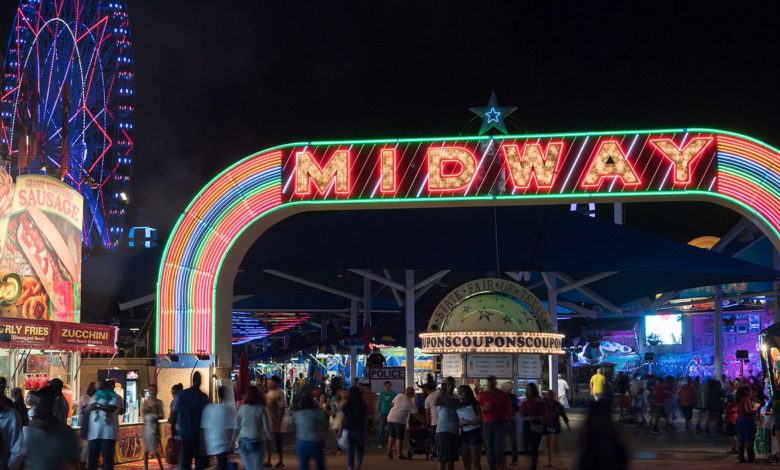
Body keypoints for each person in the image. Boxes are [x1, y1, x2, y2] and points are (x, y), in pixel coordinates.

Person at [24, 385, 80, 470]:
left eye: (42, 406)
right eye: (37, 406)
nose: (38, 409)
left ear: (51, 407)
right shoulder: (31, 430)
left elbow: (72, 464)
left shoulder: (64, 433)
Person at [574, 400, 629, 470]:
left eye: (603, 420)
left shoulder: (589, 443)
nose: (601, 424)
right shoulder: (614, 443)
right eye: (598, 420)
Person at [173, 371, 210, 470]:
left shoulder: (182, 394)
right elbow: (207, 416)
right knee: (199, 462)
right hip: (197, 434)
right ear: (200, 381)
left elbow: (174, 413)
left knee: (186, 461)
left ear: (192, 380)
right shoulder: (203, 397)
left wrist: (173, 432)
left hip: (185, 433)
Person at [478, 376, 513, 470]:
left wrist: (509, 419)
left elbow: (508, 408)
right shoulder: (483, 394)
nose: (491, 383)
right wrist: (483, 408)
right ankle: (492, 467)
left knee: (498, 447)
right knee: (489, 448)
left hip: (499, 423)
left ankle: (500, 464)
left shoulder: (501, 394)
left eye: (492, 381)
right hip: (487, 423)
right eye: (489, 382)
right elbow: (478, 407)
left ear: (495, 382)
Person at [234, 385, 271, 470]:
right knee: (257, 467)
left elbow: (237, 427)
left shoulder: (241, 409)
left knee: (248, 467)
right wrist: (270, 439)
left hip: (242, 443)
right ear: (258, 396)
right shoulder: (262, 409)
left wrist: (233, 440)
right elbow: (266, 428)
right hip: (255, 441)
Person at [87, 380, 121, 470]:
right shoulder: (95, 396)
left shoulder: (114, 397)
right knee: (92, 462)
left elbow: (111, 408)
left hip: (107, 435)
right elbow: (87, 410)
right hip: (94, 435)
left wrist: (97, 406)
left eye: (98, 385)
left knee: (107, 462)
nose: (96, 387)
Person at [203, 386, 236, 470]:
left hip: (212, 444)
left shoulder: (208, 409)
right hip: (223, 445)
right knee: (222, 465)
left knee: (220, 465)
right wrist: (232, 443)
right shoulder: (228, 409)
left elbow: (205, 428)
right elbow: (231, 428)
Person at [294, 391, 328, 470]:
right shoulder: (316, 412)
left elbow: (295, 427)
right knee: (320, 466)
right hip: (315, 441)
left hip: (302, 442)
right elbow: (325, 423)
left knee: (303, 466)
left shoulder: (297, 414)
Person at [339, 386, 367, 470]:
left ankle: (350, 466)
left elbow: (342, 418)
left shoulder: (347, 404)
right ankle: (358, 463)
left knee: (350, 449)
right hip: (360, 428)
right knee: (360, 448)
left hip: (349, 429)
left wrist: (340, 430)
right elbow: (365, 418)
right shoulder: (363, 404)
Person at [435, 377, 461, 470]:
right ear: (443, 385)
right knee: (442, 459)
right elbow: (438, 402)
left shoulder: (455, 397)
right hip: (443, 431)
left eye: (451, 384)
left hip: (454, 431)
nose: (449, 386)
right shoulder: (441, 397)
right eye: (447, 384)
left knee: (451, 460)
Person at [385, 386, 418, 459]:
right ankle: (399, 454)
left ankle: (389, 451)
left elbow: (392, 404)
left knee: (391, 435)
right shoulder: (410, 402)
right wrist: (422, 420)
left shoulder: (399, 395)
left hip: (390, 417)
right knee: (399, 437)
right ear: (412, 394)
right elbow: (416, 414)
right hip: (399, 420)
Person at [519, 383, 546, 470]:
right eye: (526, 389)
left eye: (528, 389)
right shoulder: (526, 400)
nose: (527, 391)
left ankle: (533, 465)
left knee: (534, 447)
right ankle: (533, 463)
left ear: (533, 390)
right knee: (528, 446)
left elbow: (543, 413)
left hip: (535, 424)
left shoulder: (537, 400)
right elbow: (522, 412)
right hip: (528, 424)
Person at [457, 384, 482, 470]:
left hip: (474, 434)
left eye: (462, 392)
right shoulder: (460, 405)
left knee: (476, 462)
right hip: (464, 434)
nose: (460, 393)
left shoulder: (475, 404)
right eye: (459, 392)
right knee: (466, 462)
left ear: (468, 392)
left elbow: (480, 420)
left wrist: (468, 422)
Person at [542, 390, 570, 468]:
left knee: (555, 444)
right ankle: (550, 461)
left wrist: (567, 424)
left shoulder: (558, 405)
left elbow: (563, 415)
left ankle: (558, 460)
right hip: (547, 425)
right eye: (548, 395)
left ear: (553, 396)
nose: (549, 396)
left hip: (555, 425)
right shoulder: (544, 404)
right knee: (548, 444)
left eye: (551, 395)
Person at [142, 384, 165, 470]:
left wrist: (154, 415)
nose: (152, 392)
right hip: (146, 428)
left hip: (155, 428)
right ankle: (146, 467)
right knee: (146, 450)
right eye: (151, 390)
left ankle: (161, 466)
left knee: (156, 449)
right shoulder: (145, 402)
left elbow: (162, 415)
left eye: (154, 390)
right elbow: (143, 416)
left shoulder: (158, 402)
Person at [265, 376, 286, 468]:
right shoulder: (269, 392)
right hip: (268, 422)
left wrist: (279, 421)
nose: (269, 383)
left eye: (271, 382)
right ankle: (268, 461)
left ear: (276, 383)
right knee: (269, 441)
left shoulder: (280, 393)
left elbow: (283, 408)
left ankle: (281, 461)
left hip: (276, 422)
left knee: (278, 442)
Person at [735, 385, 757, 463]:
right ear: (746, 392)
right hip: (747, 421)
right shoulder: (746, 399)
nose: (751, 392)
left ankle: (741, 457)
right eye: (750, 391)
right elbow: (749, 411)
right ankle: (751, 458)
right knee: (749, 439)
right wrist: (755, 408)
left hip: (739, 420)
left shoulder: (739, 399)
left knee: (741, 439)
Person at [501, 381, 519, 465]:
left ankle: (513, 459)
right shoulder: (511, 396)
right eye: (505, 386)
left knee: (511, 441)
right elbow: (516, 408)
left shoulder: (510, 397)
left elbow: (515, 408)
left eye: (507, 386)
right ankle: (511, 459)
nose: (505, 387)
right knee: (504, 441)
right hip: (506, 421)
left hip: (508, 421)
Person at [79, 382, 97, 466]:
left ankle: (82, 464)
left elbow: (80, 412)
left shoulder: (83, 397)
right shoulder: (96, 398)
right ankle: (88, 464)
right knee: (91, 446)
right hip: (93, 423)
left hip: (86, 422)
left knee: (86, 446)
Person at [376, 381, 396, 449]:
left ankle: (389, 443)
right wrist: (377, 412)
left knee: (391, 429)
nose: (387, 387)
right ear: (384, 386)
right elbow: (379, 403)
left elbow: (396, 403)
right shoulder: (382, 393)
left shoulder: (394, 393)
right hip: (383, 413)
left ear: (391, 386)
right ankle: (380, 443)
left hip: (391, 413)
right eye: (386, 385)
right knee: (381, 428)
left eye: (389, 385)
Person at [424, 384, 440, 458]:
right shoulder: (441, 394)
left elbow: (428, 414)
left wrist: (427, 423)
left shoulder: (428, 398)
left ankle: (434, 453)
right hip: (445, 420)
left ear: (427, 390)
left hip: (435, 421)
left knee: (434, 438)